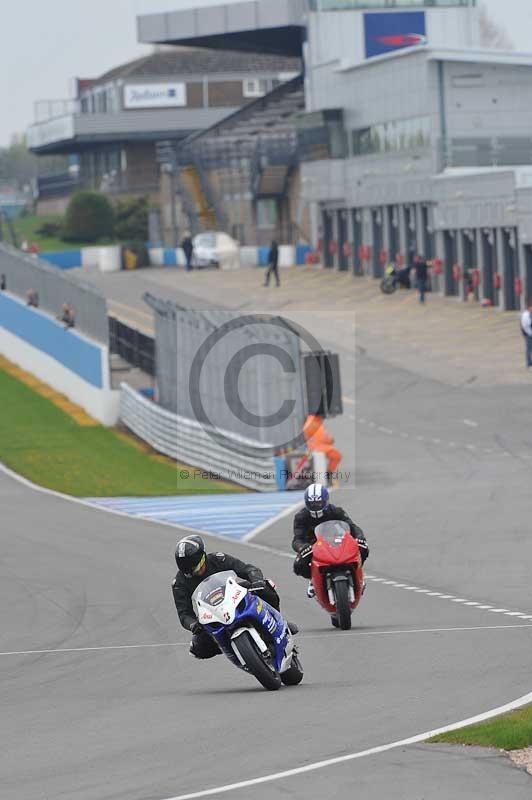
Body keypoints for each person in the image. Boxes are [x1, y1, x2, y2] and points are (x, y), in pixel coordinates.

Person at [172, 535, 296, 659]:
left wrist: (256, 580)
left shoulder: (218, 559)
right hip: (210, 612)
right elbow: (184, 614)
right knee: (198, 648)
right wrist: (193, 624)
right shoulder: (179, 583)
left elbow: (248, 569)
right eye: (188, 572)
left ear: (203, 557)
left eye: (196, 568)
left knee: (266, 589)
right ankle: (231, 648)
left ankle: (279, 622)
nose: (194, 573)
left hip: (234, 595)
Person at [292, 483, 369, 598]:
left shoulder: (336, 511)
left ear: (326, 501)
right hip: (313, 546)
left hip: (336, 540)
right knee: (298, 565)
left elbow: (352, 526)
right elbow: (297, 539)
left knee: (363, 547)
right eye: (312, 503)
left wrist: (360, 537)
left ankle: (358, 575)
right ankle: (312, 580)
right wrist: (302, 547)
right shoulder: (301, 517)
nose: (315, 506)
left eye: (318, 502)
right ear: (306, 503)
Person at [303, 414, 342, 482]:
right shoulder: (315, 423)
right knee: (336, 456)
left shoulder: (313, 422)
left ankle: (326, 475)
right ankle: (328, 475)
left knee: (335, 456)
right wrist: (330, 440)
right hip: (319, 448)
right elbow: (323, 438)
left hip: (315, 448)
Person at [520, 302, 532, 368]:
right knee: (529, 348)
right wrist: (530, 334)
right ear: (529, 307)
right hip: (528, 334)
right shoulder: (526, 315)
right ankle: (529, 363)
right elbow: (525, 327)